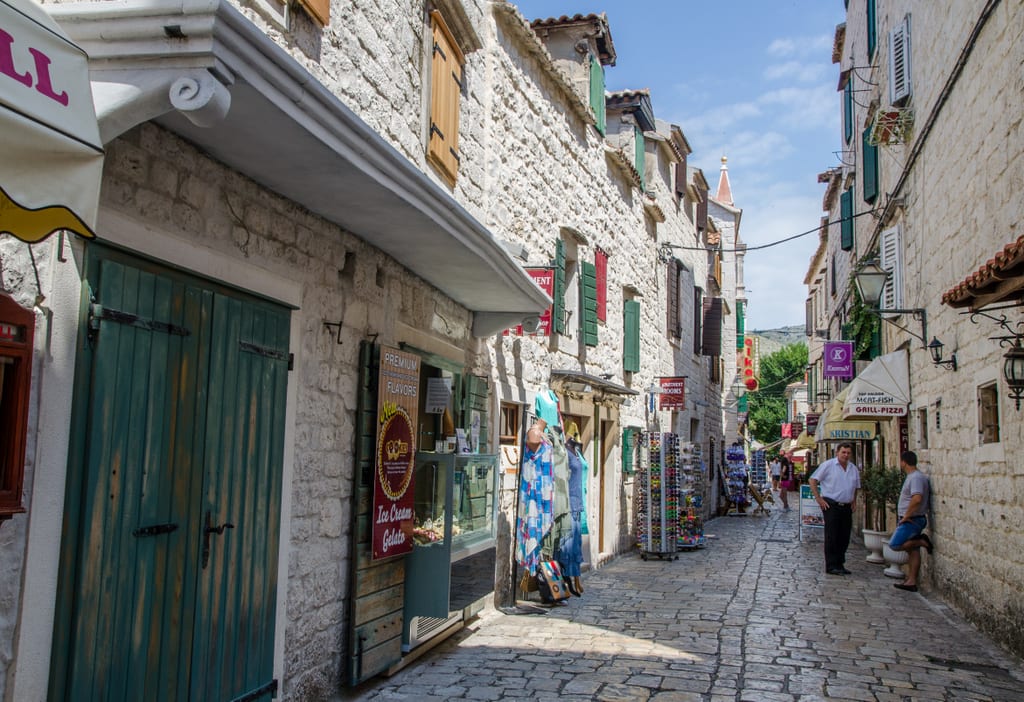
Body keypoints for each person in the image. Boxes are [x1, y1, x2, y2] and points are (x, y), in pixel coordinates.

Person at [808, 442, 861, 575]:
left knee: (844, 536)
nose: (846, 455)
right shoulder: (828, 465)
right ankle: (831, 565)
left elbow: (856, 486)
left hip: (846, 506)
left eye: (848, 453)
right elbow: (813, 480)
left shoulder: (853, 468)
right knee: (832, 535)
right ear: (837, 452)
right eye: (843, 452)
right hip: (832, 504)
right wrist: (819, 499)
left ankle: (840, 563)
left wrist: (854, 500)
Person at [889, 451, 933, 592]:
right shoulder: (914, 477)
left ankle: (921, 541)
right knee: (912, 551)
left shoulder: (915, 478)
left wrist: (907, 516)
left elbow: (917, 498)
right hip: (912, 518)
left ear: (903, 462)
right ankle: (911, 581)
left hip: (912, 519)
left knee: (895, 545)